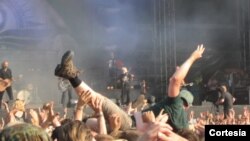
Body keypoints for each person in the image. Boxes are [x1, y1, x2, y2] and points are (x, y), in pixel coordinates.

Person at [54, 50, 132, 130]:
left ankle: (70, 75)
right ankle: (70, 75)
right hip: (127, 124)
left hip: (126, 126)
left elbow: (76, 135)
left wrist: (80, 108)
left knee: (100, 101)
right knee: (100, 100)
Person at [142, 44, 205, 132]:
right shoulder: (184, 124)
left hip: (132, 125)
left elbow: (175, 80)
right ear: (188, 106)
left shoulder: (176, 104)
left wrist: (193, 57)